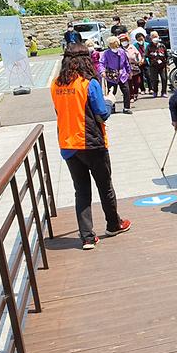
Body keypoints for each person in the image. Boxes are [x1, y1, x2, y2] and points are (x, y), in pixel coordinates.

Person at [50, 42, 131, 250]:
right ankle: (113, 224)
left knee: (81, 191)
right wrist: (110, 101)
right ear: (85, 60)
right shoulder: (88, 83)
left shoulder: (56, 85)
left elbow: (60, 112)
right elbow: (102, 113)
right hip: (91, 142)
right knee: (105, 186)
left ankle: (87, 237)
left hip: (68, 144)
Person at [100, 35, 132, 114]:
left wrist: (129, 72)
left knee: (126, 91)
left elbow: (126, 63)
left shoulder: (122, 51)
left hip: (122, 74)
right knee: (111, 92)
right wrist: (102, 71)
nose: (115, 46)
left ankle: (126, 108)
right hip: (111, 75)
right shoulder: (106, 53)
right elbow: (102, 63)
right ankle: (112, 108)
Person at [147, 31, 169, 97]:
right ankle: (155, 91)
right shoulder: (149, 46)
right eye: (153, 37)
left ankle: (164, 92)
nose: (155, 38)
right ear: (151, 38)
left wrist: (167, 64)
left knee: (164, 79)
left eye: (156, 36)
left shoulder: (162, 45)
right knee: (154, 80)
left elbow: (166, 55)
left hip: (162, 65)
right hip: (153, 66)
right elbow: (146, 55)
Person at [123, 33, 143, 101]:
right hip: (126, 67)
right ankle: (131, 96)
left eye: (125, 40)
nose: (124, 42)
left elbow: (138, 54)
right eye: (122, 40)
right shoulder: (121, 49)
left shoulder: (132, 47)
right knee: (129, 82)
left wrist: (139, 60)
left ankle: (135, 93)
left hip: (134, 65)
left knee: (137, 81)